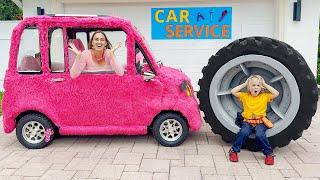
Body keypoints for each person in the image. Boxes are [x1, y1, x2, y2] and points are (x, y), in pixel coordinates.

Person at [229, 75, 279, 165]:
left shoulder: (265, 96)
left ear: (261, 87)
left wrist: (264, 84)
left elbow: (276, 94)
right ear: (249, 87)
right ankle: (234, 151)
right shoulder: (245, 96)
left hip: (260, 122)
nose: (256, 87)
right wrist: (244, 84)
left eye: (258, 85)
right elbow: (233, 91)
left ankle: (269, 154)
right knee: (244, 132)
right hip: (247, 121)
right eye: (253, 85)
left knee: (260, 134)